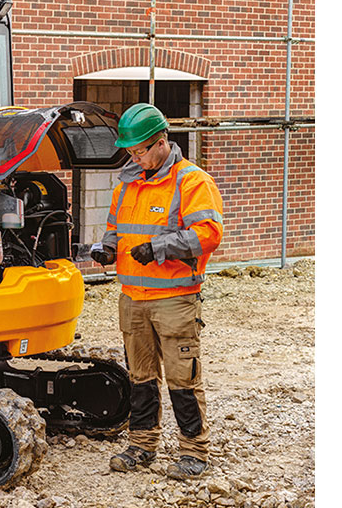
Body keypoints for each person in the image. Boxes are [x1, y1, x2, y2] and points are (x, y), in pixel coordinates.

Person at [91, 103, 224, 480]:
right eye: (130, 152)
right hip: (133, 299)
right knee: (141, 377)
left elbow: (209, 234)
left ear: (162, 142)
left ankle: (194, 452)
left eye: (140, 151)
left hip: (174, 299)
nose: (134, 158)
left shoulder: (191, 181)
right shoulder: (128, 182)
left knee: (183, 379)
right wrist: (107, 247)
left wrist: (160, 248)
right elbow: (116, 227)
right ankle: (142, 445)